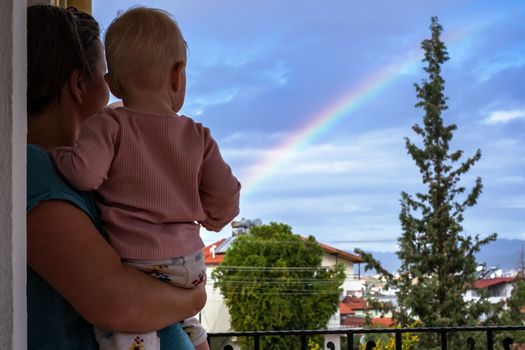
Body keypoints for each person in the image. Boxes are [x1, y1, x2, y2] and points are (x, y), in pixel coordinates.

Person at [50, 7, 241, 350]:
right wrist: (211, 218)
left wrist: (61, 155)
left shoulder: (111, 124)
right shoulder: (198, 135)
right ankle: (197, 338)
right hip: (190, 267)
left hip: (141, 266)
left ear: (113, 84)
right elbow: (227, 200)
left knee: (122, 334)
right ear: (178, 75)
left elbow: (85, 174)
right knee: (178, 307)